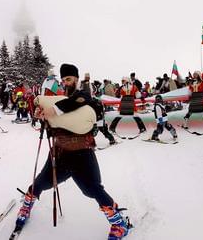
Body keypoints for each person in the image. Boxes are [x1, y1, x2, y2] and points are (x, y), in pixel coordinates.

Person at [11, 64, 131, 239]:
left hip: (82, 153)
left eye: (69, 79)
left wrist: (54, 110)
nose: (66, 82)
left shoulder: (83, 94)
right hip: (60, 153)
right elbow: (52, 123)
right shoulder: (58, 97)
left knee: (93, 189)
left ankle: (119, 223)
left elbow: (79, 101)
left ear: (76, 78)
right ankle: (26, 206)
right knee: (40, 183)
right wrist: (42, 117)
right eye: (64, 79)